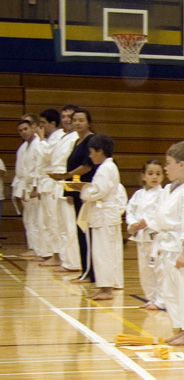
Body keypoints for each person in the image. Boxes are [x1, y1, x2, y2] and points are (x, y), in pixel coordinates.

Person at [154, 142, 184, 346]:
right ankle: (182, 329)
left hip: (183, 246)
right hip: (167, 244)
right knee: (171, 291)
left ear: (182, 165)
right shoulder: (169, 189)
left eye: (169, 163)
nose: (165, 168)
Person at [71, 134, 126, 300]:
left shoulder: (106, 168)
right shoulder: (105, 167)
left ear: (100, 151)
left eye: (91, 152)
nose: (90, 155)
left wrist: (84, 190)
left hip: (105, 215)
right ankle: (103, 286)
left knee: (104, 252)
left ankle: (107, 289)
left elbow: (98, 192)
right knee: (100, 252)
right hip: (103, 214)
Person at [58, 109, 97, 282]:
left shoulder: (91, 140)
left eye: (81, 120)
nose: (77, 123)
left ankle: (89, 272)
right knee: (80, 231)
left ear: (88, 122)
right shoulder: (76, 142)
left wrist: (65, 177)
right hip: (78, 191)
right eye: (75, 120)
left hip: (88, 193)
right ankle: (85, 270)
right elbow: (75, 172)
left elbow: (87, 167)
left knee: (86, 232)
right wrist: (69, 189)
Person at [126, 160, 165, 310]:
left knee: (158, 269)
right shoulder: (138, 195)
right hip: (141, 237)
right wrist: (133, 224)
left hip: (155, 237)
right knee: (145, 271)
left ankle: (161, 300)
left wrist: (147, 222)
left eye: (158, 174)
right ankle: (151, 298)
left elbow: (161, 213)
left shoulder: (163, 194)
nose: (154, 177)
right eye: (150, 173)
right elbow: (130, 210)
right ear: (143, 176)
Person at [48, 105, 83, 273]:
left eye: (70, 117)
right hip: (58, 183)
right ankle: (65, 259)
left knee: (70, 226)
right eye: (64, 116)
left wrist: (71, 190)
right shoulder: (64, 137)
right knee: (60, 225)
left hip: (68, 183)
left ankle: (73, 262)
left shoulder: (76, 139)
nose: (67, 120)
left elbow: (77, 165)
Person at [34, 109, 66, 267]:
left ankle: (58, 256)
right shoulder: (51, 138)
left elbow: (47, 155)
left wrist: (40, 139)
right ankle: (50, 253)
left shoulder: (59, 137)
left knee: (54, 222)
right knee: (45, 221)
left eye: (43, 124)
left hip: (53, 182)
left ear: (52, 123)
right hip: (45, 183)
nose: (41, 128)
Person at [11, 116, 41, 258]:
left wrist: (35, 187)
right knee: (28, 219)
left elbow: (39, 168)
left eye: (25, 129)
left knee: (36, 218)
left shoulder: (38, 144)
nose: (23, 132)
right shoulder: (23, 147)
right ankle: (33, 247)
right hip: (24, 185)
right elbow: (21, 170)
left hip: (33, 186)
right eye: (20, 130)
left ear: (33, 128)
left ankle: (38, 249)